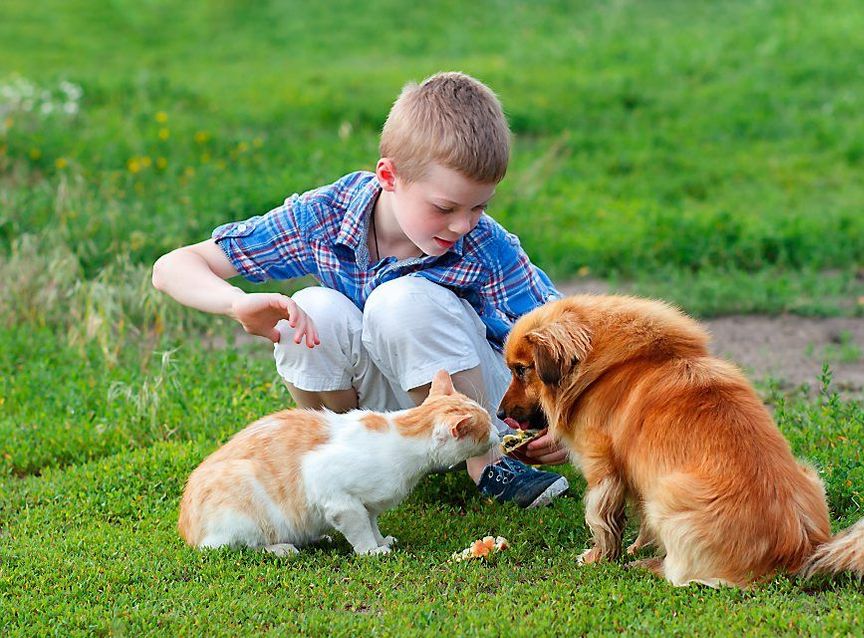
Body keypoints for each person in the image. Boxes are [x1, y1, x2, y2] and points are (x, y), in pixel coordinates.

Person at [152, 71, 569, 509]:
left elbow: (567, 332)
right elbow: (173, 267)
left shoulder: (484, 244)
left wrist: (564, 420)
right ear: (389, 176)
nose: (464, 224)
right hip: (392, 409)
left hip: (481, 399)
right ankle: (351, 458)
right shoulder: (325, 217)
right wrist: (236, 302)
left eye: (479, 206)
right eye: (445, 207)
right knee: (310, 309)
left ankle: (488, 464)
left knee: (401, 300)